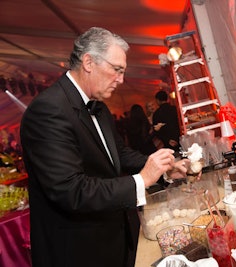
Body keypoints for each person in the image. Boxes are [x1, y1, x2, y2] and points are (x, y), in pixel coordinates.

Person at [20, 27, 188, 267]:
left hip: (114, 237)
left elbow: (118, 154)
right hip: (79, 251)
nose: (120, 80)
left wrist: (162, 169)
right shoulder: (48, 110)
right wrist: (141, 180)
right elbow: (70, 190)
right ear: (88, 62)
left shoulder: (98, 105)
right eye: (116, 70)